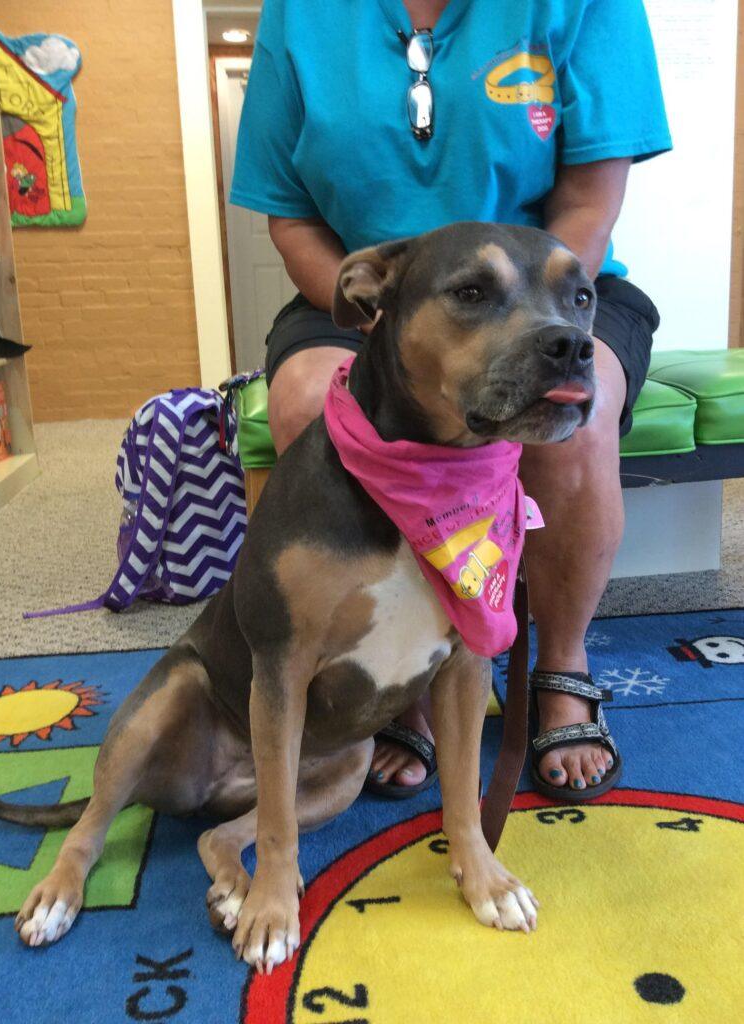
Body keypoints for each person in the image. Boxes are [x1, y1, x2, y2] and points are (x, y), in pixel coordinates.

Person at [230, 0, 671, 802]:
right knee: (306, 398)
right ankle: (400, 677)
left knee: (576, 417)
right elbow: (290, 219)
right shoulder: (297, 15)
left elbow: (586, 208)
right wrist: (392, 328)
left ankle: (560, 666)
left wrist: (533, 322)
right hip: (373, 295)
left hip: (549, 284)